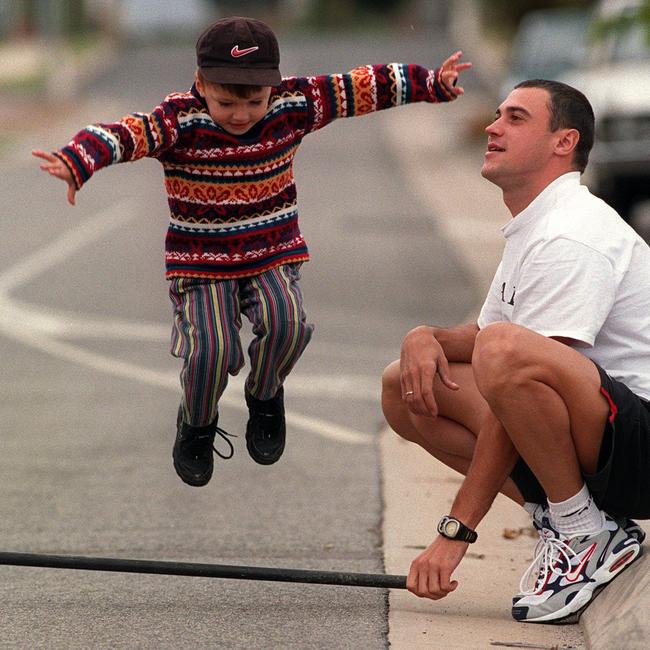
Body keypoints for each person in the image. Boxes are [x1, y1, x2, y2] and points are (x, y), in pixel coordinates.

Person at [33, 16, 471, 488]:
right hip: (201, 266)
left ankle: (265, 395)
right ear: (201, 84)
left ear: (274, 88)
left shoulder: (293, 104)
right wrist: (80, 159)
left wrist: (431, 84)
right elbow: (124, 134)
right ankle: (196, 424)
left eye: (253, 102)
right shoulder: (178, 119)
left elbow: (359, 87)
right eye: (225, 103)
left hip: (271, 253)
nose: (241, 115)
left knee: (288, 323)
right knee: (211, 351)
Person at [381, 78, 650, 624]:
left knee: (505, 354)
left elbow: (511, 370)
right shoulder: (536, 224)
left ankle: (582, 533)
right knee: (405, 386)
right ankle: (567, 520)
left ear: (563, 142)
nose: (491, 126)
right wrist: (424, 335)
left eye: (516, 117)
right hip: (593, 433)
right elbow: (485, 339)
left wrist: (455, 530)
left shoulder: (572, 234)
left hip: (641, 446)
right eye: (499, 114)